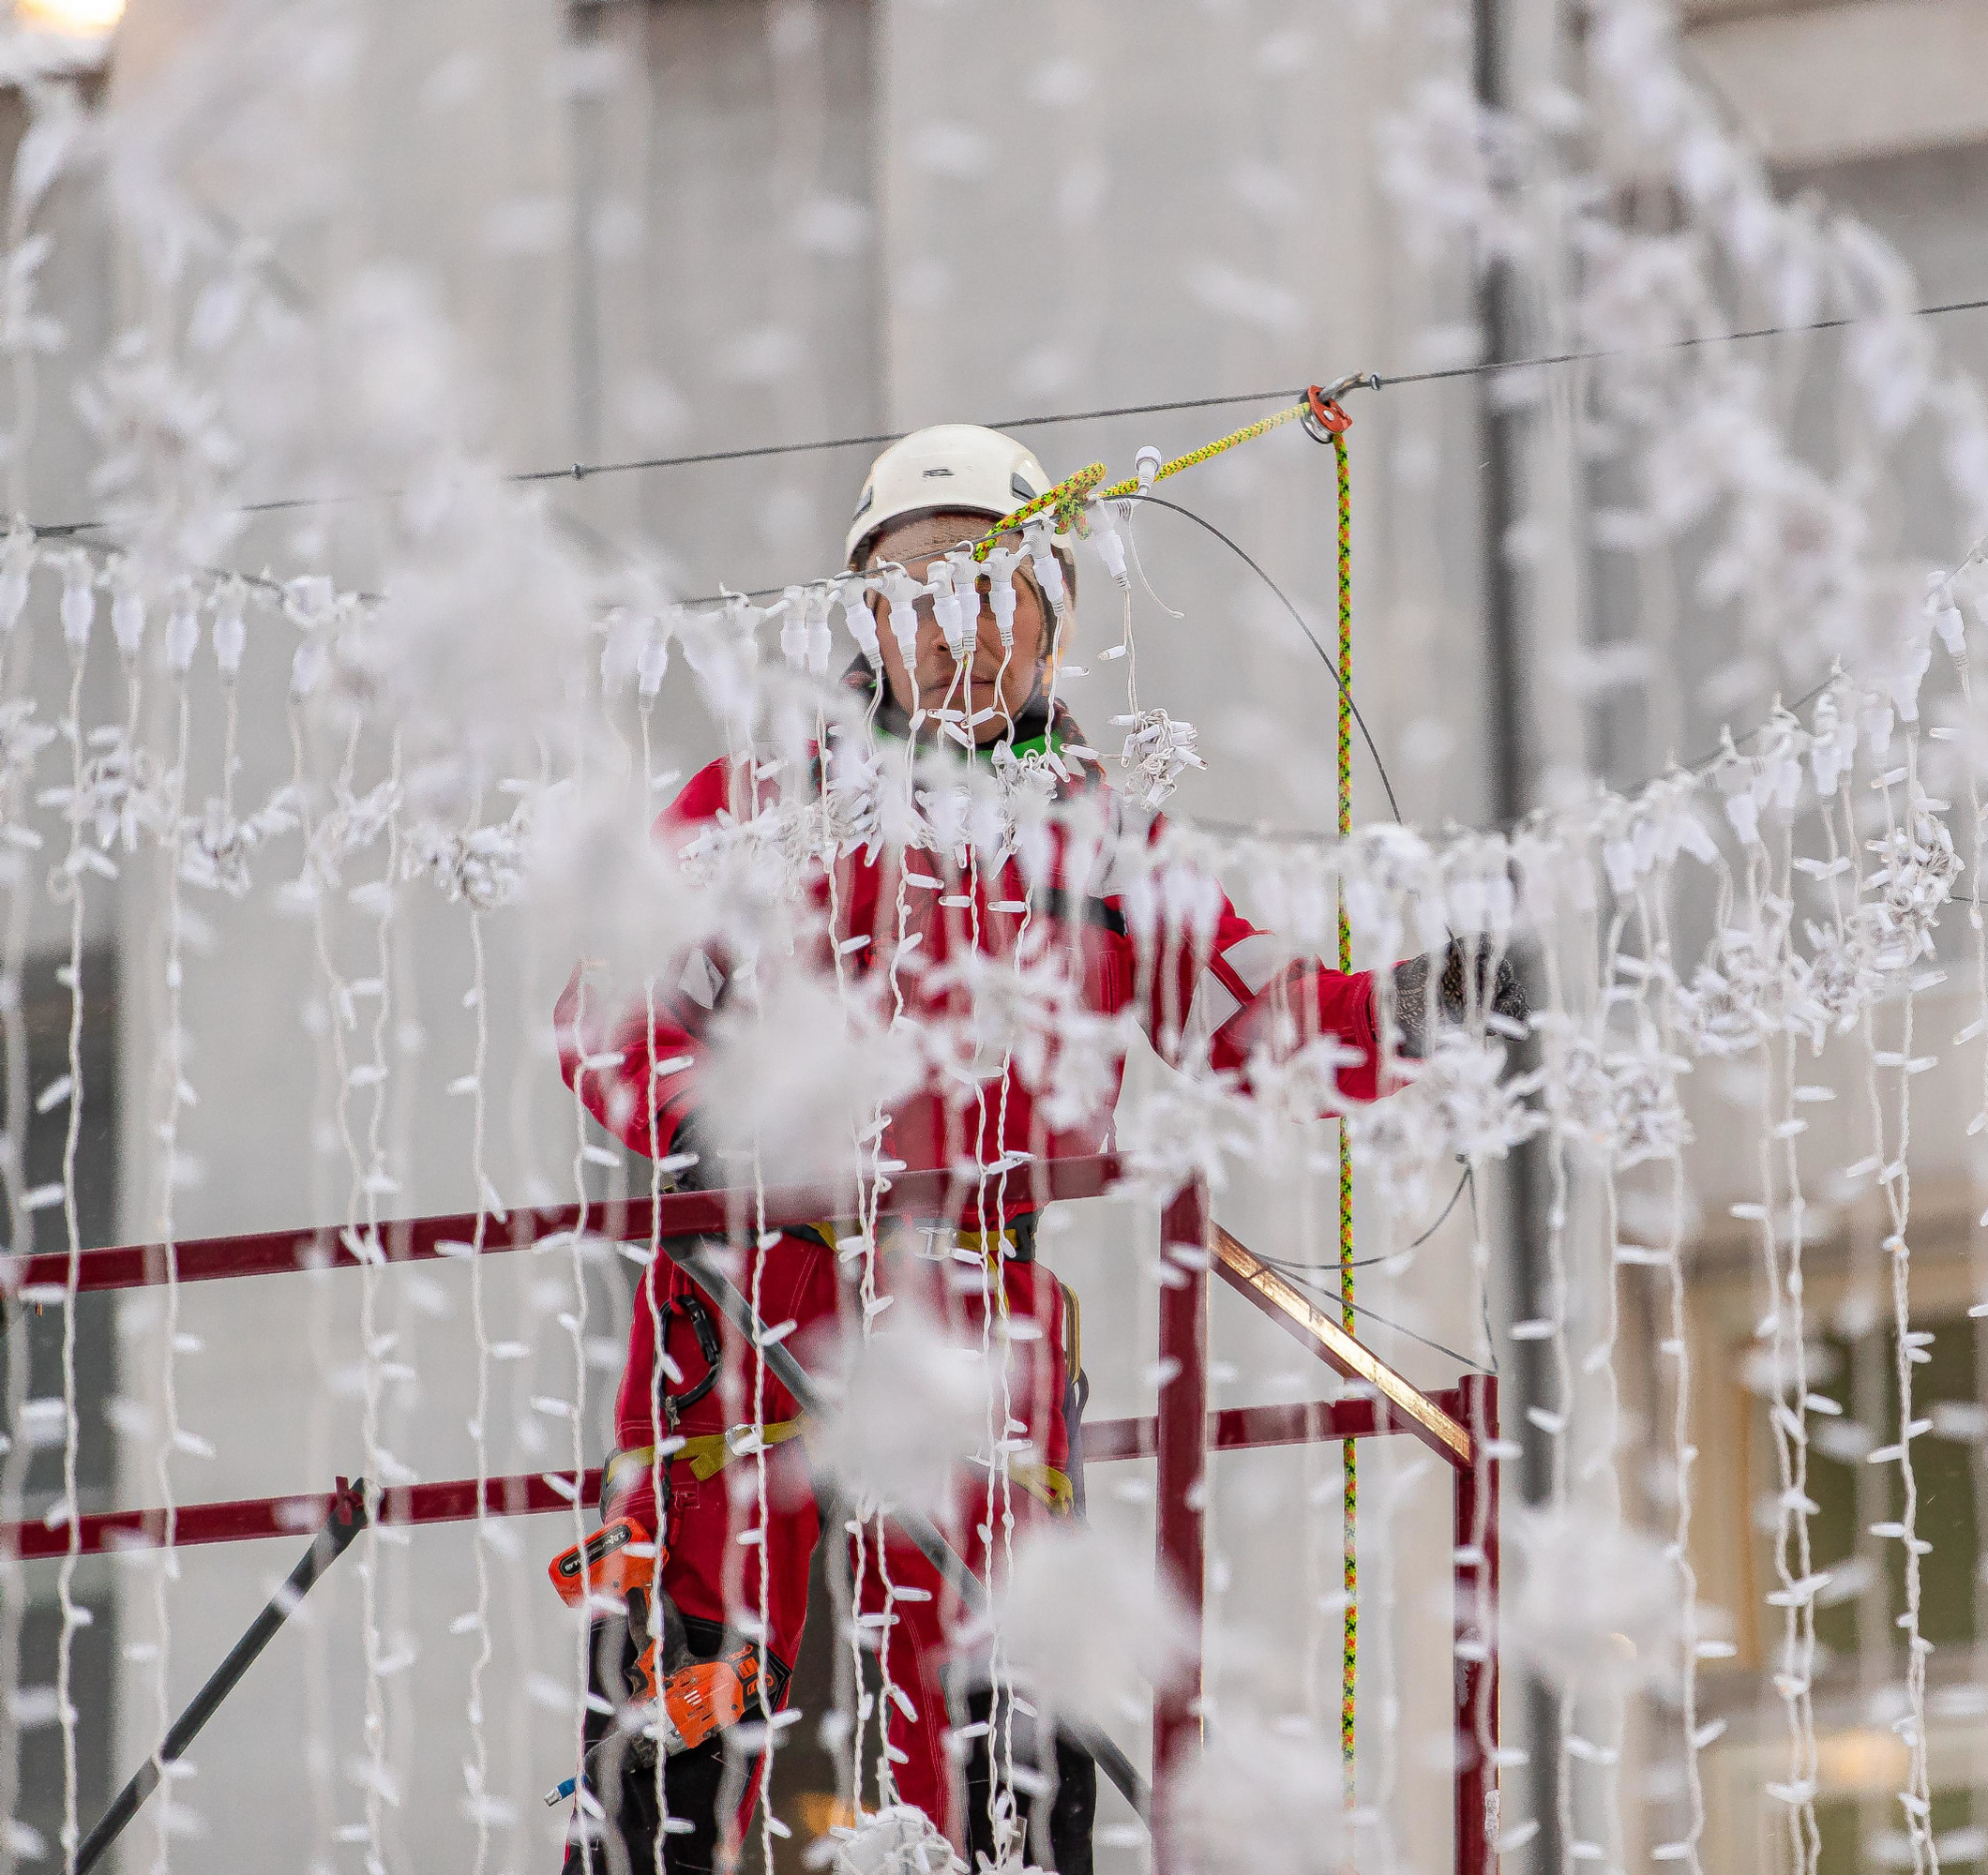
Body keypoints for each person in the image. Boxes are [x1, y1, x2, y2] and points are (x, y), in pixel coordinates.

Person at [550, 424, 1519, 1875]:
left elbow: (1258, 1017)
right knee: (688, 1667)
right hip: (744, 1293)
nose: (964, 630)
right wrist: (706, 1120)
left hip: (977, 1299)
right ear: (865, 620)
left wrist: (1417, 1013)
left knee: (1001, 1676)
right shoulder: (759, 809)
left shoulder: (1102, 850)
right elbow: (610, 1012)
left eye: (1003, 590)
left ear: (1053, 624)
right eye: (926, 589)